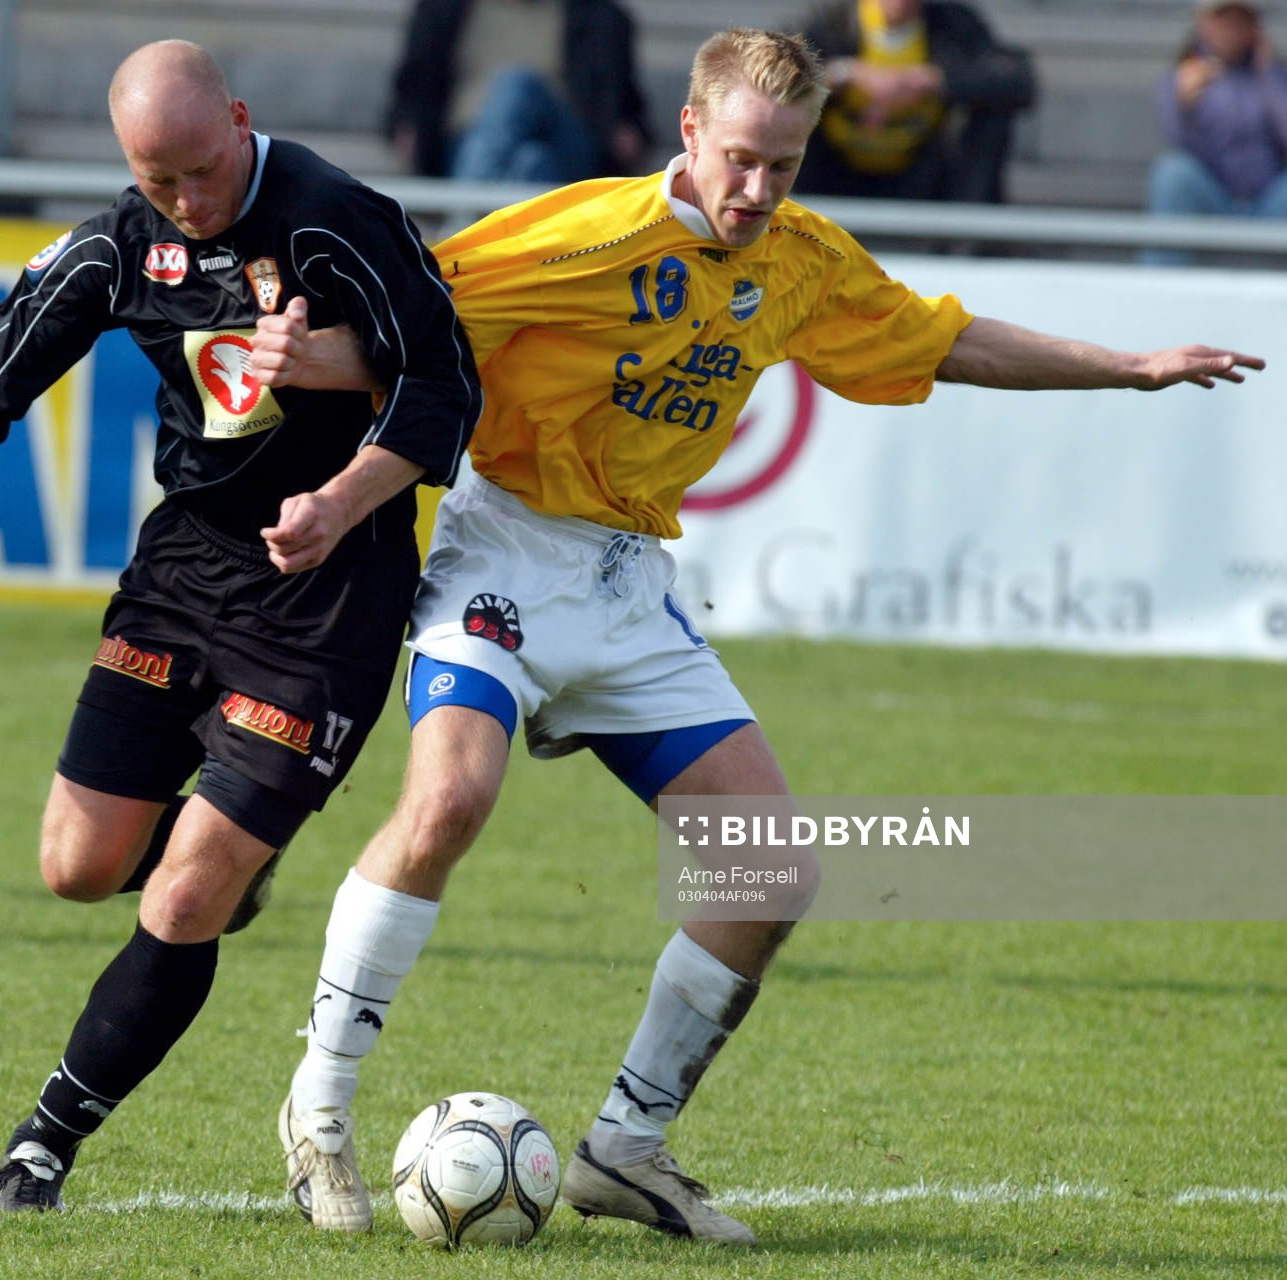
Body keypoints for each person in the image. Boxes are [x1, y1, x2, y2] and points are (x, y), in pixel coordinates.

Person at [276, 26, 1264, 1245]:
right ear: (688, 133)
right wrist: (303, 358)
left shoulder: (798, 261)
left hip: (629, 581)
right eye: (739, 159)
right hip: (506, 554)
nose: (756, 191)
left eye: (783, 167)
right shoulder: (585, 231)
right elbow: (417, 321)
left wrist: (1126, 367)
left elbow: (939, 340)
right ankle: (318, 1110)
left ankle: (623, 1147)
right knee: (448, 804)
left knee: (769, 868)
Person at [0, 39, 479, 1211]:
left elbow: (447, 380)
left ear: (240, 121)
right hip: (183, 573)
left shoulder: (340, 220)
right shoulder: (117, 242)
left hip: (326, 591)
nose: (185, 202)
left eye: (199, 170)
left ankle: (44, 1137)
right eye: (157, 181)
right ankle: (230, 846)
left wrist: (339, 501)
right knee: (76, 867)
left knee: (183, 896)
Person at [793, 0, 1035, 203]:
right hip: (833, 174)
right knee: (789, 106)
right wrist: (847, 75)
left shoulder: (952, 26)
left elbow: (1016, 80)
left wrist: (934, 80)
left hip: (921, 175)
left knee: (992, 113)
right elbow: (771, 73)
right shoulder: (832, 23)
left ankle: (970, 240)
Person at [387, 0, 649, 183]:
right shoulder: (442, 10)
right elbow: (413, 83)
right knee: (532, 163)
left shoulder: (599, 15)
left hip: (566, 140)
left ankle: (469, 214)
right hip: (464, 142)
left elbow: (624, 99)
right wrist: (406, 127)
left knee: (516, 85)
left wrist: (627, 130)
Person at [1146, 0, 1287, 263]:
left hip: (1268, 203)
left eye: (1240, 21)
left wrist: (1270, 75)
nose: (1231, 30)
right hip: (1213, 198)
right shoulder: (1182, 75)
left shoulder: (1276, 76)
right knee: (1172, 173)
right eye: (1223, 21)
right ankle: (1161, 283)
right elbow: (1177, 142)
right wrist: (1184, 106)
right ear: (1203, 24)